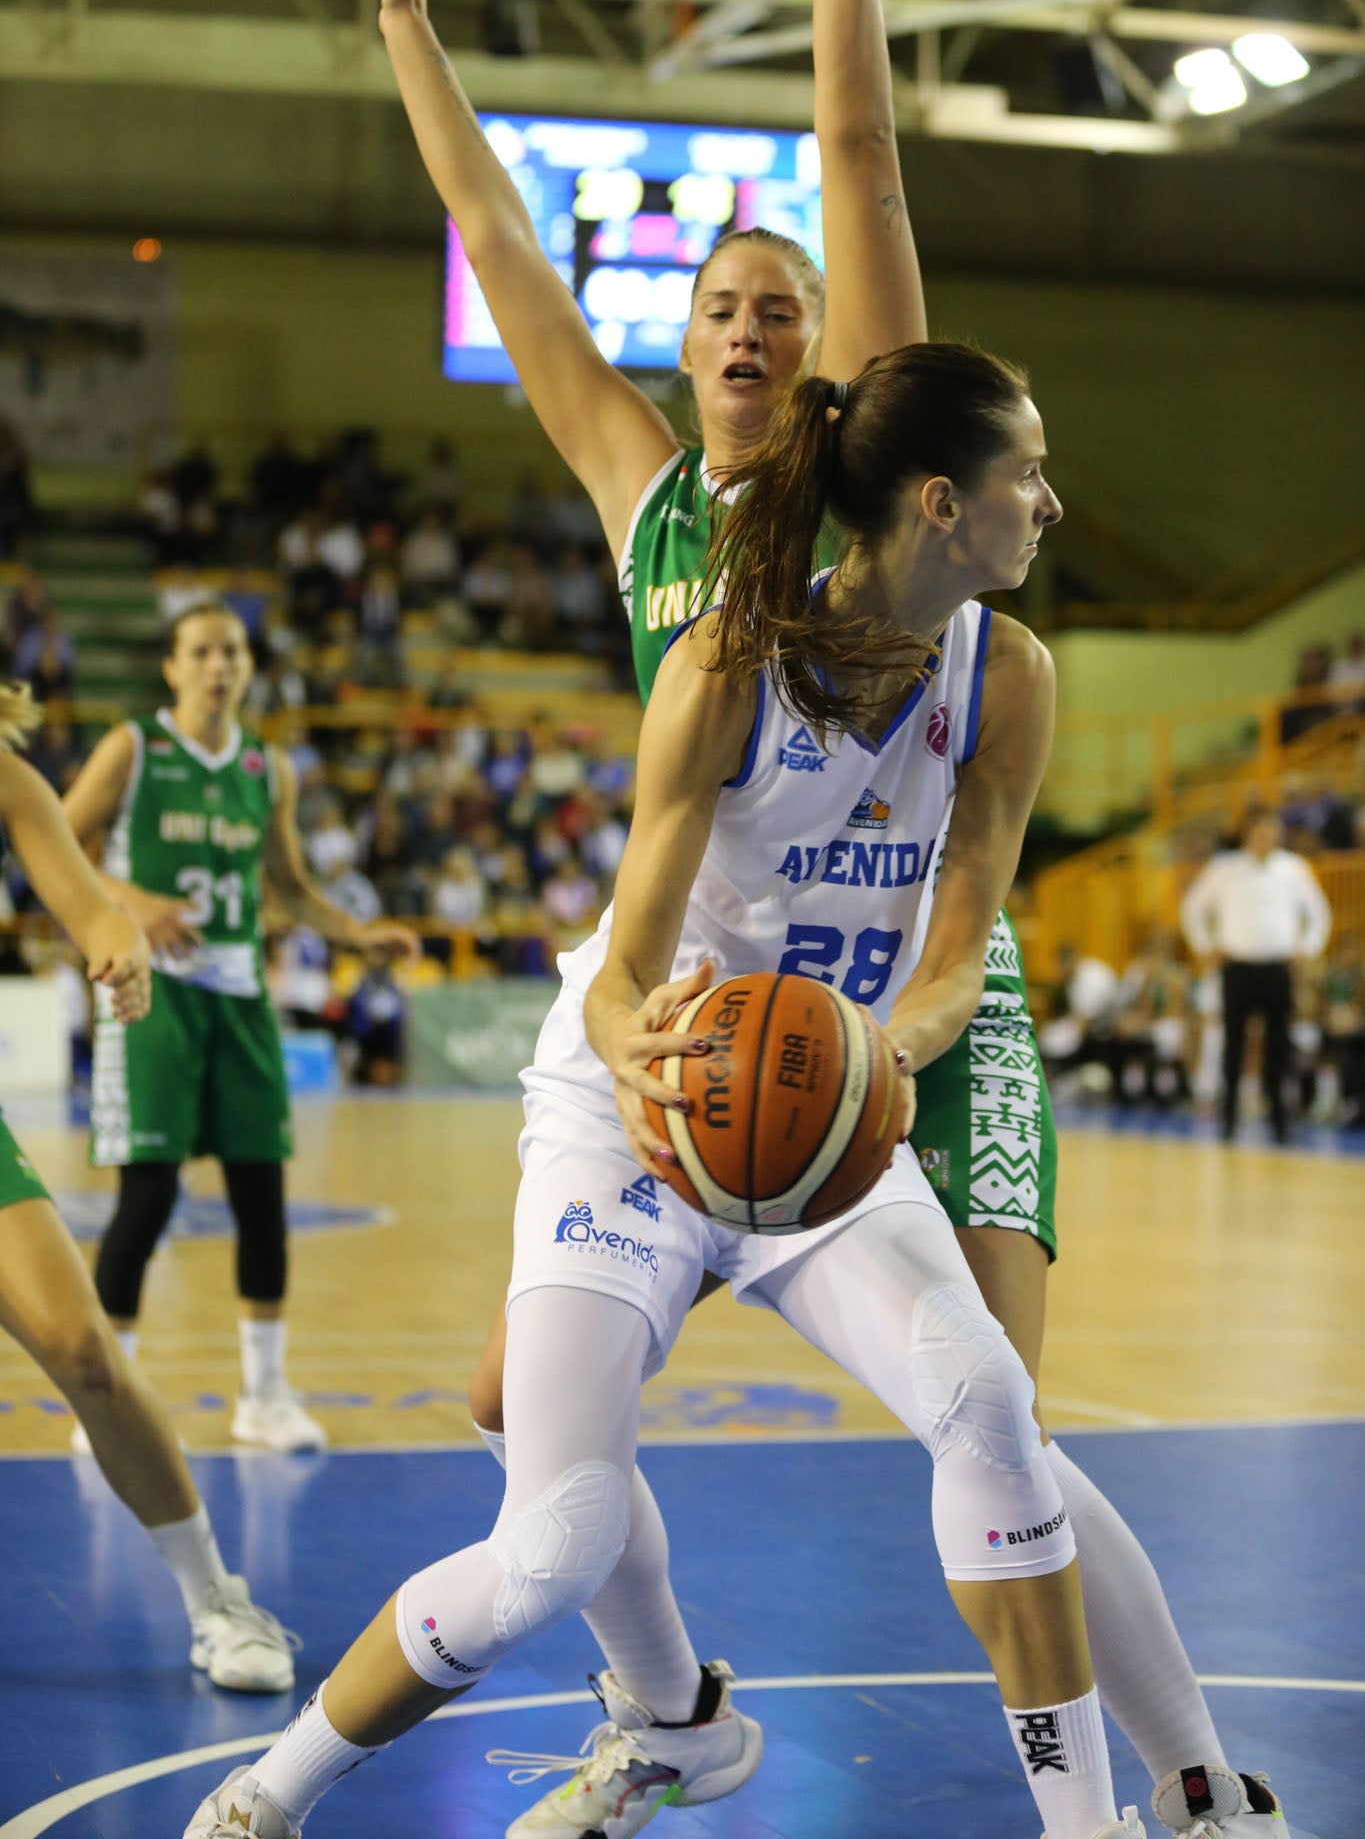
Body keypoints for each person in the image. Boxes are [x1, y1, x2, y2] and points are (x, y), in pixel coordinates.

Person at [369, 0, 1285, 1837]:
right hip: (709, 1022)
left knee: (1001, 1424)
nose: (755, 328)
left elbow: (860, 157)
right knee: (531, 1423)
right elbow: (508, 249)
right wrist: (408, 45)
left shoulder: (894, 464)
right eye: (720, 307)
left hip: (916, 993)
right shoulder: (645, 505)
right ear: (682, 353)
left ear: (823, 364)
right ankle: (662, 1712)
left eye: (783, 306)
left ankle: (1192, 1783)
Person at [189, 335, 1160, 1839]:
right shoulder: (726, 660)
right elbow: (628, 960)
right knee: (550, 1543)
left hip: (816, 1105)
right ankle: (267, 1796)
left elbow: (959, 955)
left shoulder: (1008, 677)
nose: (1050, 503)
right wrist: (647, 1043)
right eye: (1023, 474)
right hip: (640, 1103)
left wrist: (872, 1058)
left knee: (985, 1396)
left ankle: (1091, 1823)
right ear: (936, 503)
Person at [62, 601, 419, 1452]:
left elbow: (288, 887)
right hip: (153, 998)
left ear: (248, 666)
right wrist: (133, 903)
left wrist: (356, 931)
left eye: (232, 651)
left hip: (240, 998)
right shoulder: (133, 749)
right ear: (172, 667)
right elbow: (57, 845)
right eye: (201, 651)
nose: (218, 665)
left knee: (262, 1202)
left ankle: (263, 1397)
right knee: (146, 1199)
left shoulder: (268, 767)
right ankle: (110, 1411)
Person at [0, 680, 294, 1693]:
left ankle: (217, 1596)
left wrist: (118, 951)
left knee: (84, 1350)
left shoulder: (8, 774)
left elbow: (90, 903)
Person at [1180, 806, 1332, 1142]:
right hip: (1237, 968)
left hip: (1278, 969)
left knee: (1279, 1047)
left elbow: (1319, 912)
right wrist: (1205, 945)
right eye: (1260, 829)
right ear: (1248, 832)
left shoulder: (1293, 869)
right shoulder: (1225, 869)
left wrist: (1307, 948)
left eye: (1272, 829)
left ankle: (1279, 1120)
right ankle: (1229, 1120)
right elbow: (1193, 907)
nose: (1267, 835)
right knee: (1232, 1045)